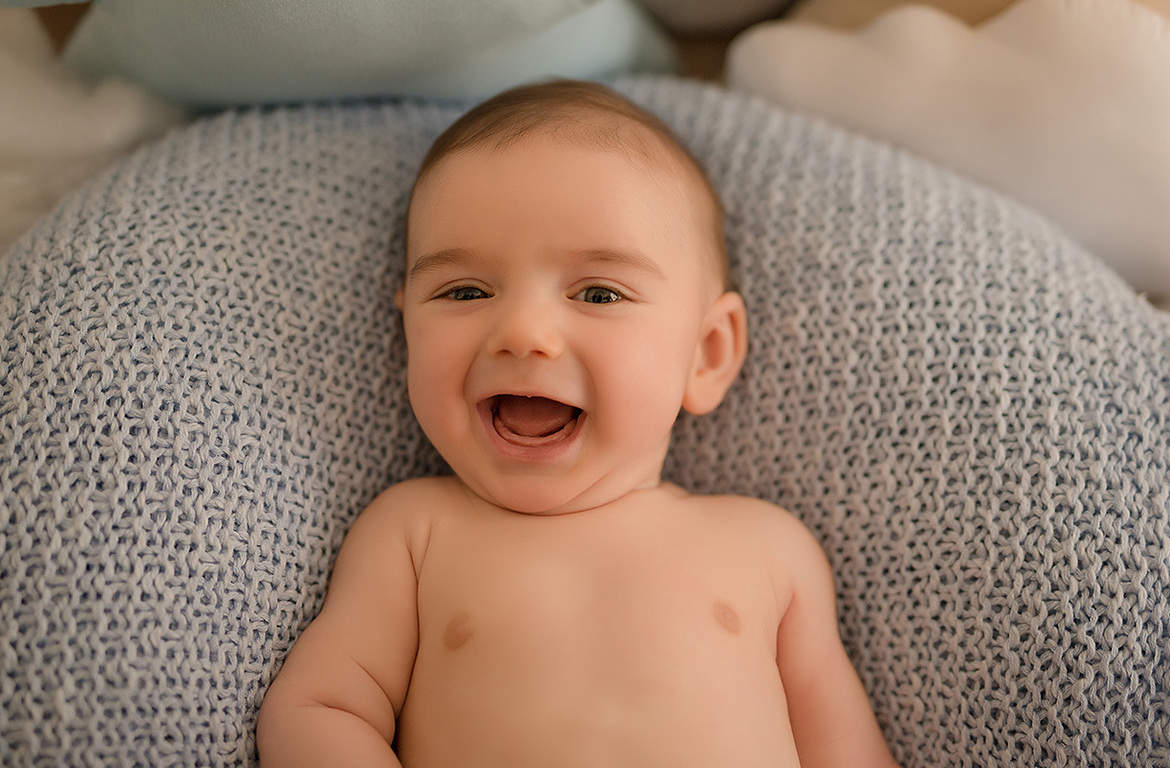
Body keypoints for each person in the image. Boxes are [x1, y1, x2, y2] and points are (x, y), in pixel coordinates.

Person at [256, 79, 900, 768]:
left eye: (598, 293)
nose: (522, 332)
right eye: (464, 291)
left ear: (707, 353)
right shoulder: (414, 535)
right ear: (406, 328)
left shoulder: (770, 550)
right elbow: (319, 709)